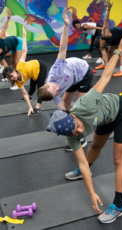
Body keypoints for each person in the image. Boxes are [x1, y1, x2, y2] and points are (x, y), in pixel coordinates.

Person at [46, 34, 122, 224]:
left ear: (74, 117)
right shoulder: (71, 137)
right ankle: (78, 173)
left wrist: (118, 50)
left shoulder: (85, 103)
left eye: (78, 128)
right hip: (104, 119)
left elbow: (105, 77)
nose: (78, 133)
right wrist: (92, 193)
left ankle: (118, 206)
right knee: (94, 148)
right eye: (74, 134)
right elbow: (83, 162)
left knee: (118, 159)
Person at [37, 8, 94, 151]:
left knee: (80, 106)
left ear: (46, 84)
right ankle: (74, 131)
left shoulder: (56, 70)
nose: (58, 89)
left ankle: (82, 137)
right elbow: (63, 109)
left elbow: (62, 48)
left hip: (83, 71)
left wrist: (66, 26)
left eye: (55, 88)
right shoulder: (54, 94)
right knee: (67, 103)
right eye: (57, 91)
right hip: (72, 78)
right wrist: (69, 120)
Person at [2, 27, 47, 116]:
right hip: (33, 73)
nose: (13, 78)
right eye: (10, 78)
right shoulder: (18, 81)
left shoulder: (20, 65)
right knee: (32, 86)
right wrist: (30, 107)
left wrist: (24, 36)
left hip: (40, 66)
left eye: (12, 75)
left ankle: (38, 107)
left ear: (14, 70)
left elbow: (24, 50)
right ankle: (31, 97)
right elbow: (24, 93)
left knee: (40, 88)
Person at [0, 8, 23, 90]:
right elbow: (6, 67)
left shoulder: (0, 41)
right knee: (12, 63)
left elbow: (3, 28)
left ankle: (18, 83)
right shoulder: (0, 56)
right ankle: (13, 78)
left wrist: (8, 18)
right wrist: (8, 75)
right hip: (12, 47)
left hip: (18, 42)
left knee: (17, 62)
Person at [95, 0, 122, 77]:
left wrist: (108, 9)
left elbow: (106, 20)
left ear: (101, 41)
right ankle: (103, 65)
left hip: (120, 33)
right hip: (113, 38)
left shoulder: (105, 34)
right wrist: (107, 69)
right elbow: (105, 56)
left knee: (120, 51)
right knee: (109, 51)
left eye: (101, 46)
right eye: (100, 47)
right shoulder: (101, 45)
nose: (101, 47)